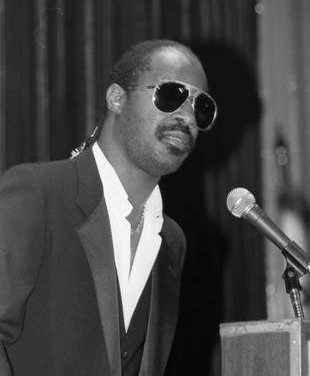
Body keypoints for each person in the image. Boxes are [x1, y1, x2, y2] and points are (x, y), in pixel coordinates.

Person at [0, 39, 217, 376]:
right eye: (171, 94)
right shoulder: (38, 194)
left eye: (202, 107)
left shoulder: (172, 241)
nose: (187, 116)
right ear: (117, 98)